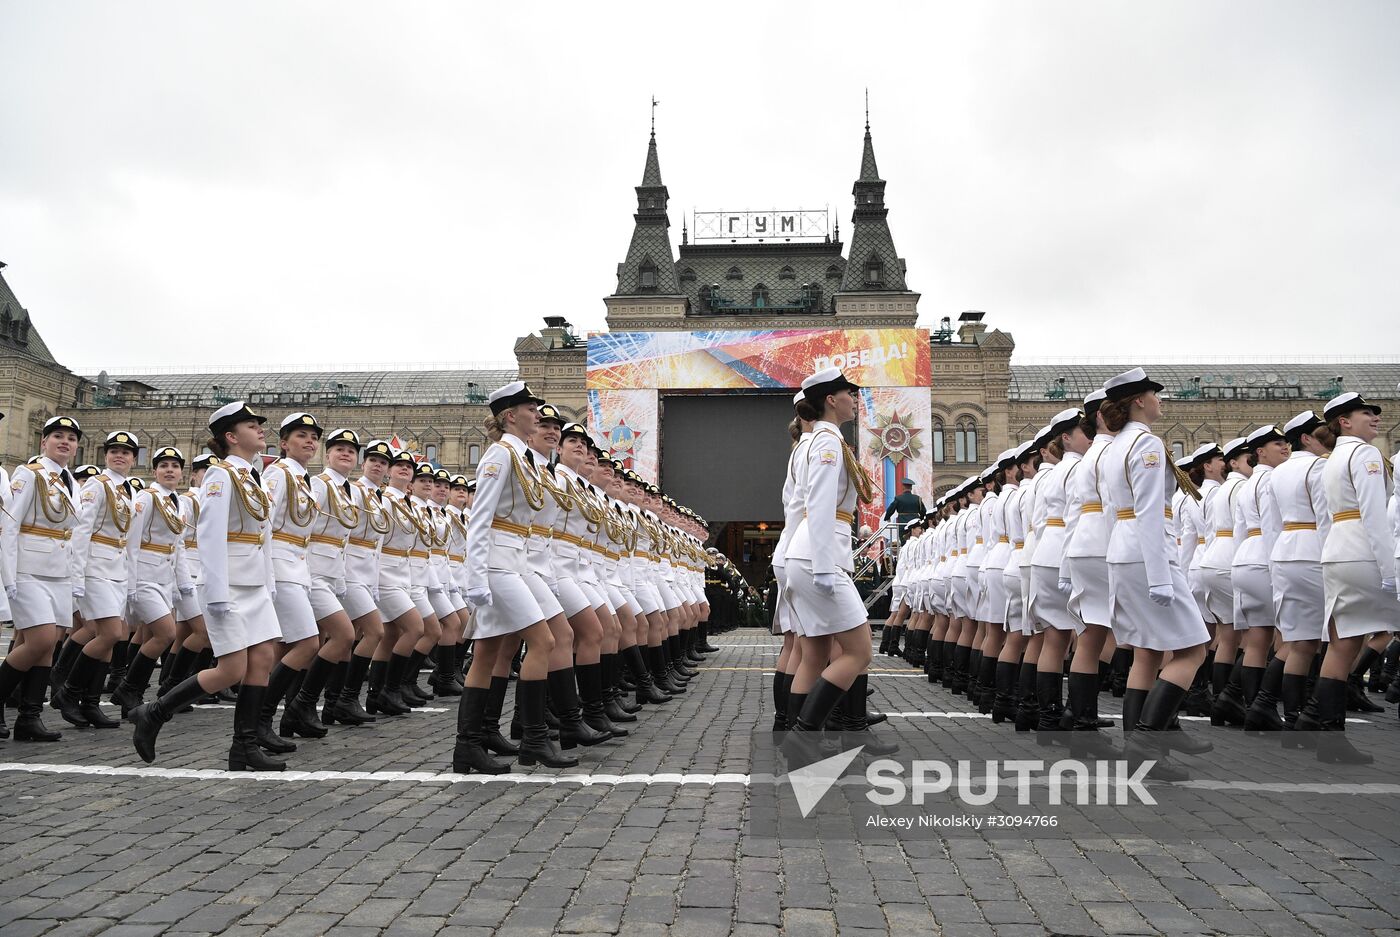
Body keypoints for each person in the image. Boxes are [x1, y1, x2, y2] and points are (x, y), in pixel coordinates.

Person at [130, 401, 284, 770]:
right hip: (228, 585)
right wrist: (215, 595)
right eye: (251, 425)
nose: (260, 429)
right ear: (231, 436)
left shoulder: (253, 476)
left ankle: (243, 748)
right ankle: (155, 712)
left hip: (253, 585)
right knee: (231, 669)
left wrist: (269, 584)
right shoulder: (221, 475)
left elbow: (263, 537)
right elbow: (211, 537)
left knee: (263, 658)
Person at [451, 381, 572, 773]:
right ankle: (533, 738)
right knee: (544, 641)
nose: (537, 413)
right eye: (529, 407)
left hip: (516, 560)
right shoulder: (500, 455)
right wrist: (475, 579)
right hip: (498, 564)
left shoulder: (525, 458)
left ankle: (469, 745)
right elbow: (480, 518)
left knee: (487, 653)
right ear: (509, 415)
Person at [1099, 369, 1211, 780]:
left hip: (1125, 552)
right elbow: (1148, 510)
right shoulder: (1144, 443)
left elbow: (1115, 512)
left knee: (1146, 653)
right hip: (1149, 554)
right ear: (1138, 401)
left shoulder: (1113, 446)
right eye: (1153, 394)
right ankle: (1148, 738)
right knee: (1193, 650)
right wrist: (1160, 574)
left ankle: (1142, 756)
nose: (1160, 400)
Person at [781, 367, 890, 765]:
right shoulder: (827, 444)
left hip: (810, 553)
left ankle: (800, 745)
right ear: (831, 399)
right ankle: (803, 736)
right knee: (859, 651)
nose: (854, 399)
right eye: (849, 392)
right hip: (818, 556)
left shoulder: (823, 442)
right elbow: (822, 505)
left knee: (815, 654)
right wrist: (826, 568)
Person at [1296, 392, 1396, 763]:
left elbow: (1325, 517)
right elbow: (1375, 516)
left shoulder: (1332, 459)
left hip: (1337, 552)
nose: (1374, 418)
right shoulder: (1365, 454)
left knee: (1342, 645)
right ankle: (1327, 734)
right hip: (1363, 552)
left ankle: (1327, 733)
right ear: (1344, 421)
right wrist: (1389, 571)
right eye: (1365, 413)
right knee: (1360, 639)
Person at [0, 415, 83, 743]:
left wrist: (74, 579)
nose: (65, 442)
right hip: (29, 569)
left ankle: (29, 717)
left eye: (72, 438)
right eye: (57, 436)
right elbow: (10, 526)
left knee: (46, 647)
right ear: (43, 442)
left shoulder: (71, 482)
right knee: (40, 640)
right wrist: (8, 578)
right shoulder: (29, 474)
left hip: (59, 572)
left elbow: (72, 534)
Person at [55, 430, 142, 730]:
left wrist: (130, 582)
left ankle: (90, 703)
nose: (120, 455)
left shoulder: (128, 489)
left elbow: (128, 540)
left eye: (127, 452)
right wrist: (77, 576)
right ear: (105, 455)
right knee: (107, 634)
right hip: (95, 568)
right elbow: (81, 532)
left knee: (113, 636)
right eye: (114, 450)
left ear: (133, 459)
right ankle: (68, 692)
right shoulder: (97, 484)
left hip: (117, 570)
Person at [112, 446, 193, 717]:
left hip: (163, 578)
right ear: (154, 471)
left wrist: (183, 585)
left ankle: (129, 692)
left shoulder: (177, 502)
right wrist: (131, 585)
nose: (170, 470)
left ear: (182, 472)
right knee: (166, 633)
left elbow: (177, 546)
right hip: (144, 575)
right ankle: (127, 687)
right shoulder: (146, 498)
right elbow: (132, 542)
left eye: (175, 466)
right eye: (164, 465)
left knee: (156, 634)